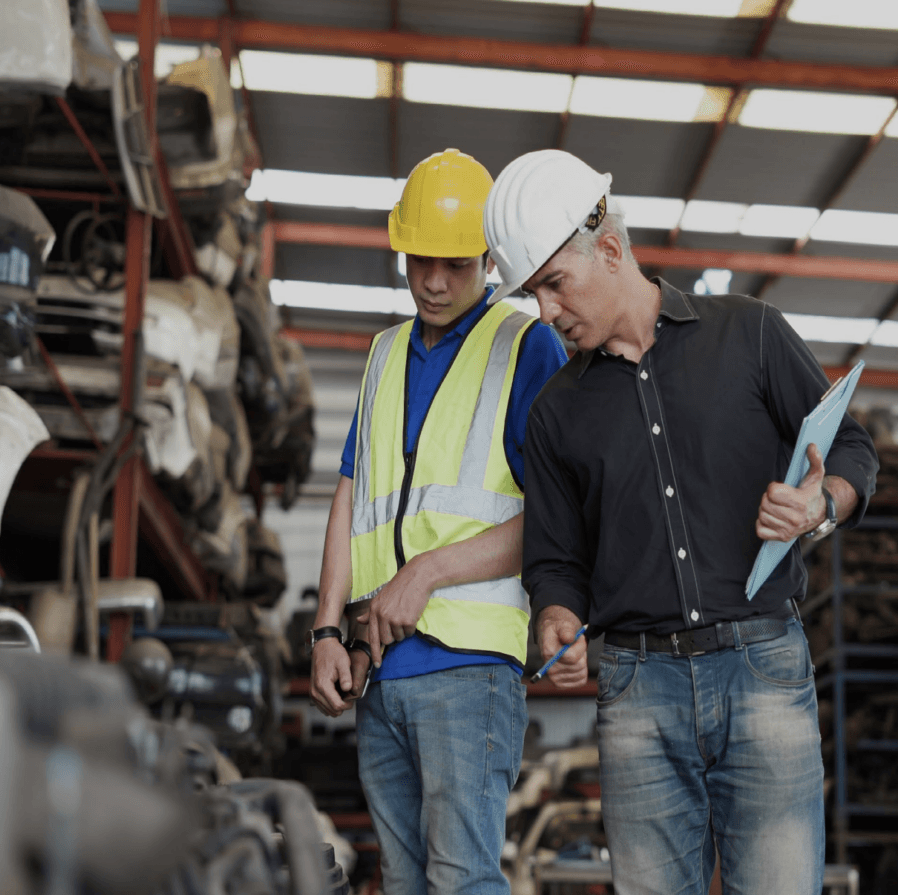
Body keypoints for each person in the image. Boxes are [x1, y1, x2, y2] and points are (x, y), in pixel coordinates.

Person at [482, 149, 879, 895]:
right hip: (638, 690)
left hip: (763, 667)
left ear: (609, 247)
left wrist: (822, 502)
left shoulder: (751, 334)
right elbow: (556, 560)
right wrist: (555, 619)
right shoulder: (556, 413)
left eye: (554, 286)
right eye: (532, 294)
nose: (545, 313)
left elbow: (852, 447)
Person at [307, 147, 567, 895]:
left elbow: (557, 513)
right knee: (404, 881)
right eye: (419, 258)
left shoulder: (526, 345)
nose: (434, 280)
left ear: (489, 257)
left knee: (461, 879)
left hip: (471, 667)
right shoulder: (383, 353)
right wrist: (329, 628)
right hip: (380, 669)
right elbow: (350, 496)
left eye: (455, 263)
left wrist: (426, 572)